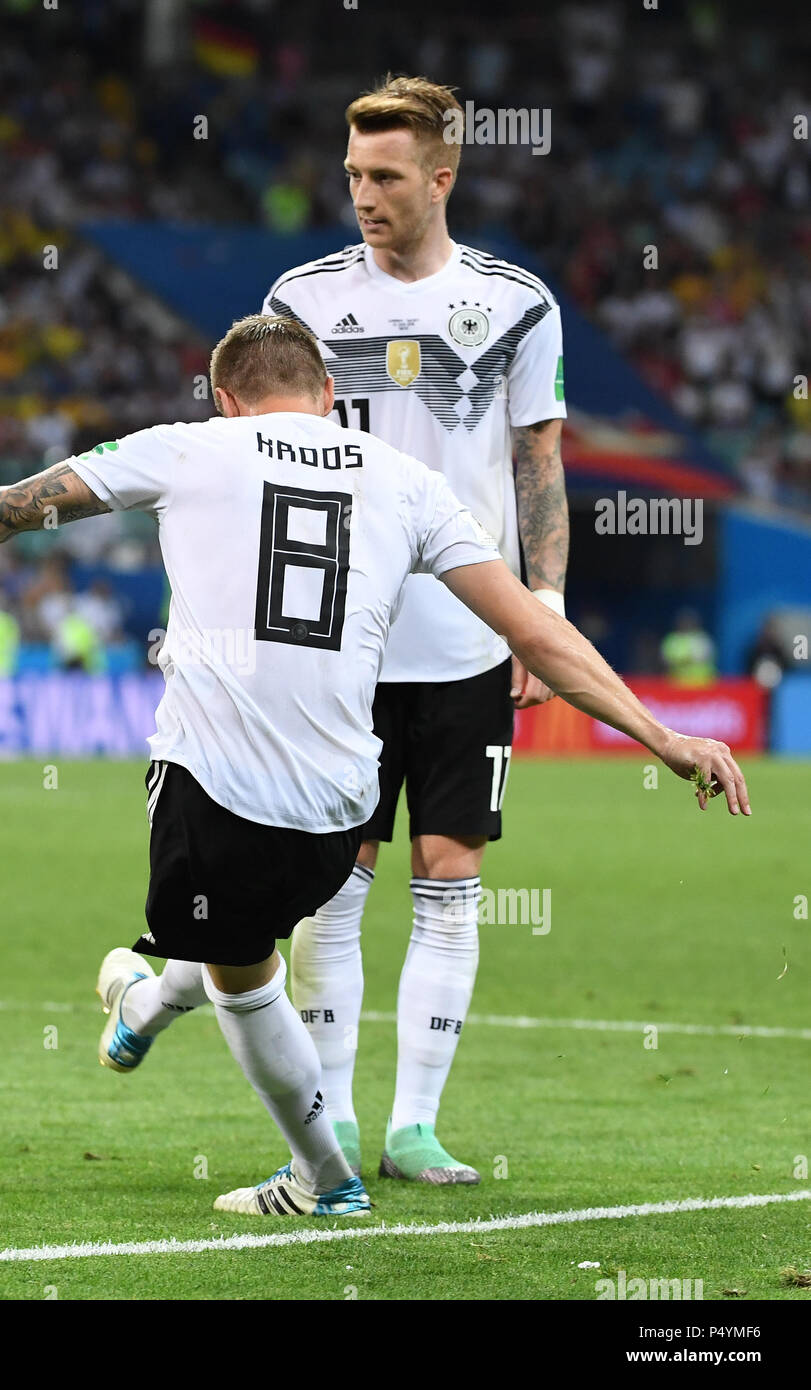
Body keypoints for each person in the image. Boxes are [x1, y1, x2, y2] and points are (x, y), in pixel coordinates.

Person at [0, 315, 749, 1219]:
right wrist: (663, 736)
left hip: (218, 782)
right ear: (331, 396)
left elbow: (8, 509)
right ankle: (143, 1002)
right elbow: (533, 631)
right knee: (245, 921)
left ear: (226, 401)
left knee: (236, 959)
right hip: (343, 805)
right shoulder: (409, 483)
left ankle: (324, 1178)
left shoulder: (186, 448)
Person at [253, 75, 571, 1182]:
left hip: (468, 641)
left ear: (442, 177)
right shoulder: (299, 300)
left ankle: (413, 1126)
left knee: (449, 873)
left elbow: (538, 462)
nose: (362, 195)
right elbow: (259, 464)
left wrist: (547, 616)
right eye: (351, 175)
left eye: (384, 176)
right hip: (336, 639)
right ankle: (332, 1116)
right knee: (334, 878)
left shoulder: (518, 304)